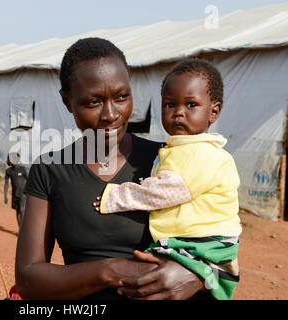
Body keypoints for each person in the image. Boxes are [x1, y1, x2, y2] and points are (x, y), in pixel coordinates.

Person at [15, 37, 209, 300]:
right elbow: (29, 279)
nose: (110, 115)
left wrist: (197, 276)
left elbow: (224, 242)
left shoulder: (170, 159)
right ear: (66, 101)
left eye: (121, 97)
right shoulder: (50, 170)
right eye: (92, 102)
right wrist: (111, 270)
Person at [94, 59, 241, 300]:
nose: (178, 112)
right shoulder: (180, 148)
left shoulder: (201, 153)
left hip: (203, 243)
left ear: (213, 111)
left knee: (150, 279)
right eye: (169, 104)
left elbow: (166, 191)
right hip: (197, 241)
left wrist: (117, 196)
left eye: (191, 104)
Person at [4, 153, 28, 228]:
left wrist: (29, 193)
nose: (7, 160)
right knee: (17, 211)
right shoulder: (9, 171)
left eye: (9, 159)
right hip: (15, 194)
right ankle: (20, 230)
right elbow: (6, 184)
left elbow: (29, 181)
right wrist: (5, 196)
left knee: (22, 209)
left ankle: (24, 230)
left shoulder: (23, 169)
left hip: (23, 194)